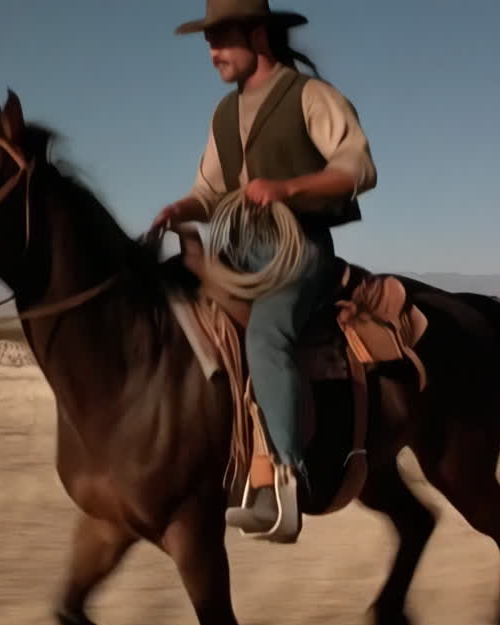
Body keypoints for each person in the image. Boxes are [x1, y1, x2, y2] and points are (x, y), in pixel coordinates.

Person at [153, 0, 378, 543]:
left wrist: (287, 188)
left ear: (258, 35)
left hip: (297, 251)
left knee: (268, 335)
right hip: (237, 252)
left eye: (222, 39)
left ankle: (286, 479)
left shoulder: (311, 96)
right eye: (209, 42)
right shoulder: (222, 115)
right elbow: (210, 192)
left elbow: (358, 168)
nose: (212, 53)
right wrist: (180, 210)